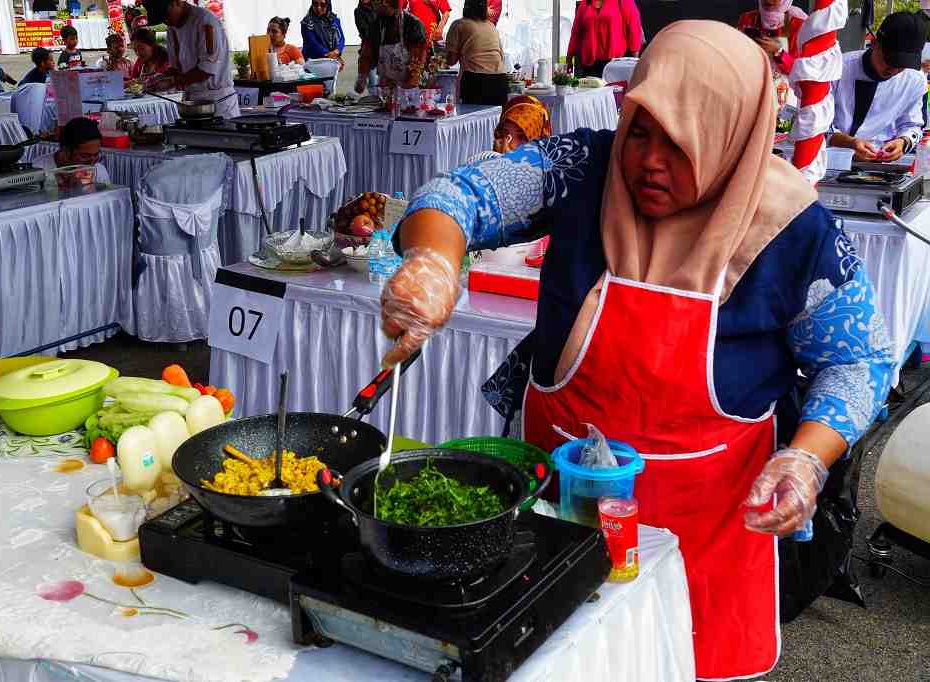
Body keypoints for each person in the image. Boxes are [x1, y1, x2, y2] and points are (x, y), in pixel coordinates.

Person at [379, 21, 893, 680]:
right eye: (640, 130)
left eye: (680, 145)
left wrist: (807, 457)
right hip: (563, 505)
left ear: (733, 136)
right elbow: (459, 198)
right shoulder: (584, 170)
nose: (649, 161)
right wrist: (433, 258)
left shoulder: (795, 231)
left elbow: (855, 360)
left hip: (707, 523)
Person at [828, 12, 927, 163]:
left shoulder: (914, 79)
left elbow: (913, 125)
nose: (893, 70)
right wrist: (850, 143)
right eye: (890, 61)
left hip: (882, 163)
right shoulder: (837, 69)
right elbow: (818, 124)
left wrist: (903, 142)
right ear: (874, 44)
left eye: (901, 65)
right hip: (831, 158)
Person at [142, 0, 238, 119]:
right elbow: (176, 68)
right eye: (161, 18)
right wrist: (160, 78)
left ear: (177, 2)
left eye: (166, 15)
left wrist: (173, 82)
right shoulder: (172, 28)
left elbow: (206, 70)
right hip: (191, 103)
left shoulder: (205, 21)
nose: (165, 20)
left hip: (217, 102)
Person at [354, 0, 427, 92]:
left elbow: (417, 61)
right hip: (385, 86)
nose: (374, 9)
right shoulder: (377, 25)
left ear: (385, 3)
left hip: (409, 87)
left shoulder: (413, 24)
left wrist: (407, 87)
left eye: (376, 5)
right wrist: (362, 77)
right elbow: (366, 54)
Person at [445, 0, 506, 105]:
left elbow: (451, 61)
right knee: (495, 118)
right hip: (500, 79)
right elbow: (501, 56)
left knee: (470, 117)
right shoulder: (491, 26)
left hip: (475, 79)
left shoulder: (459, 24)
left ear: (466, 6)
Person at [566, 0, 642, 78]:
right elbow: (575, 34)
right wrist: (569, 59)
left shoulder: (623, 1)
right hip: (590, 66)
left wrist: (634, 63)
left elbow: (634, 30)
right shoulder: (585, 3)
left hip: (616, 66)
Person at [32, 117, 112, 189]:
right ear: (65, 152)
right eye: (85, 156)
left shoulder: (99, 170)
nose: (92, 162)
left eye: (96, 155)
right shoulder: (38, 170)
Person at [737, 0, 807, 77]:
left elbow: (798, 70)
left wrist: (779, 52)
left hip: (783, 86)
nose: (768, 1)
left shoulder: (797, 25)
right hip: (753, 80)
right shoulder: (748, 18)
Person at [301, 0, 346, 68]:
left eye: (322, 4)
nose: (318, 7)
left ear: (328, 5)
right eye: (315, 4)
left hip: (332, 59)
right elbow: (312, 42)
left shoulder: (334, 19)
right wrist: (329, 55)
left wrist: (337, 50)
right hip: (314, 61)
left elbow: (341, 38)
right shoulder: (307, 22)